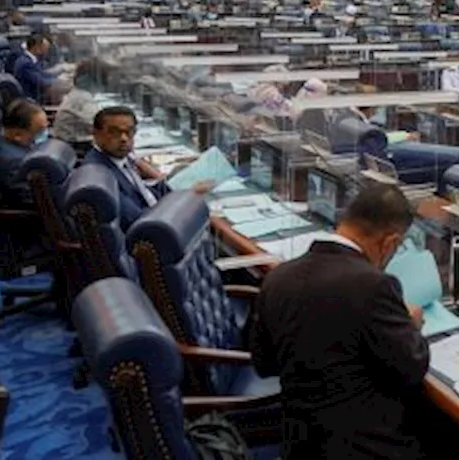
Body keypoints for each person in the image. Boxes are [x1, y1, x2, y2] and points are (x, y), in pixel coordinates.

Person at [246, 183, 431, 460]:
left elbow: (263, 364)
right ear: (390, 243)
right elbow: (413, 367)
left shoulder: (277, 277)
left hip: (298, 446)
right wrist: (412, 325)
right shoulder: (374, 286)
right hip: (368, 448)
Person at [82, 107, 208, 229]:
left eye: (129, 132)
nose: (124, 139)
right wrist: (187, 197)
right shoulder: (102, 176)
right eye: (114, 132)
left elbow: (143, 192)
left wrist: (180, 187)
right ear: (96, 134)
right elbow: (138, 220)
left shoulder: (119, 159)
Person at [0, 99, 49, 208]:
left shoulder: (7, 137)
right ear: (17, 135)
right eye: (40, 130)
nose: (46, 133)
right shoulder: (13, 162)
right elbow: (29, 200)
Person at [53, 59, 103, 144]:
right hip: (76, 145)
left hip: (66, 141)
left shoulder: (77, 94)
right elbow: (99, 127)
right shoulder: (83, 99)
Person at [12, 35, 58, 104]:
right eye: (45, 47)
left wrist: (57, 76)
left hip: (37, 96)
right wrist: (58, 80)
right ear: (36, 47)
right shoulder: (25, 63)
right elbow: (41, 81)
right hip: (31, 101)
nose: (47, 50)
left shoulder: (31, 60)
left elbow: (42, 74)